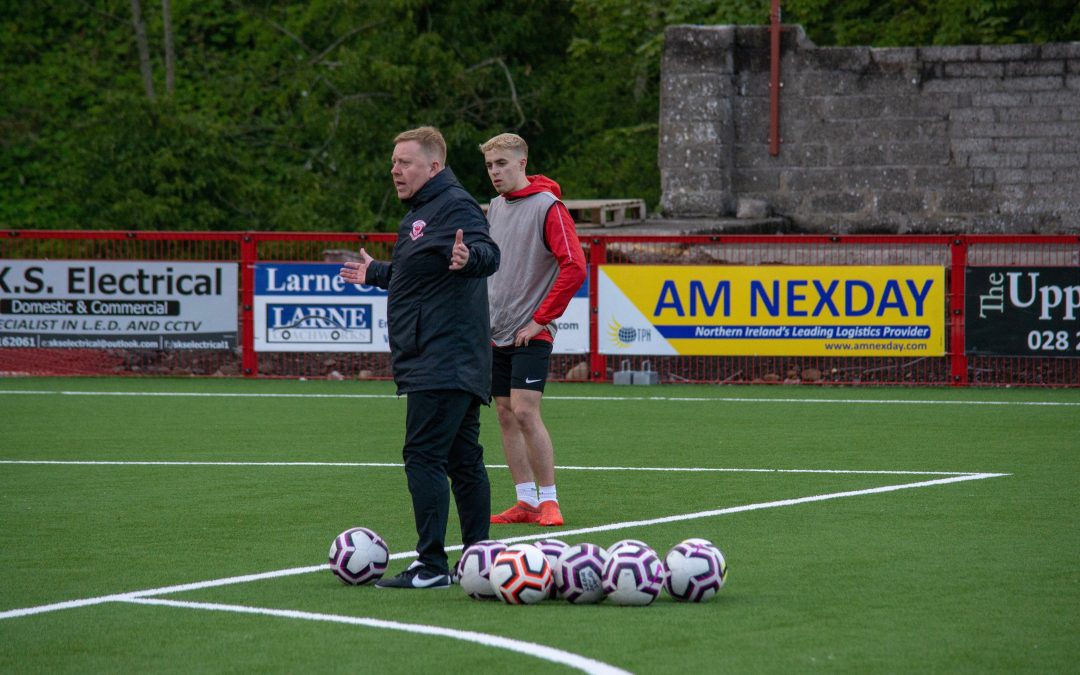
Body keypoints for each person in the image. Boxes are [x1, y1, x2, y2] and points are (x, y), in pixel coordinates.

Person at [339, 126, 500, 588]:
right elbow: (419, 278)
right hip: (444, 356)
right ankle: (477, 561)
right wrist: (376, 274)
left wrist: (470, 258)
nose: (395, 169)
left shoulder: (455, 205)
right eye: (393, 162)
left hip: (444, 357)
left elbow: (489, 253)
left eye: (404, 162)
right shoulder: (423, 212)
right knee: (462, 459)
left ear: (433, 166)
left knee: (423, 455)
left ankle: (431, 566)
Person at [480, 133, 586, 527]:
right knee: (505, 414)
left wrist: (541, 318)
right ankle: (524, 501)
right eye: (490, 165)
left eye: (502, 164)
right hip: (496, 330)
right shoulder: (493, 207)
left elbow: (574, 266)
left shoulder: (548, 207)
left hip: (532, 330)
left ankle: (549, 500)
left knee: (525, 410)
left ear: (522, 163)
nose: (495, 172)